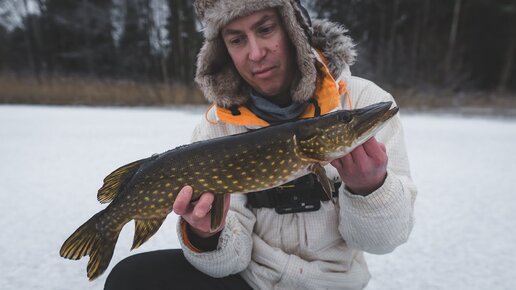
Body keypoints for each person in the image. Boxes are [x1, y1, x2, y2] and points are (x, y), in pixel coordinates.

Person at [104, 0, 417, 289]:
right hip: (252, 282)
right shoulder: (216, 128)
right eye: (237, 40)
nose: (255, 53)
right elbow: (230, 261)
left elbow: (382, 241)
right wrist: (205, 233)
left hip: (333, 285)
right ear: (223, 49)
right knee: (132, 278)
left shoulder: (362, 99)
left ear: (292, 28)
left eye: (265, 29)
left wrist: (370, 189)